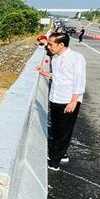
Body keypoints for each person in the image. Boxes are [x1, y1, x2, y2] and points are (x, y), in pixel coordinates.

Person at [35, 32, 86, 170]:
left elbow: (79, 81)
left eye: (51, 44)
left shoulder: (76, 58)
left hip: (68, 100)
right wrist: (44, 73)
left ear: (61, 44)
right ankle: (61, 154)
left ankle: (55, 162)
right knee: (57, 129)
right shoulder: (56, 58)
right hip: (55, 98)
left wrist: (74, 101)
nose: (48, 47)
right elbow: (58, 76)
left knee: (64, 131)